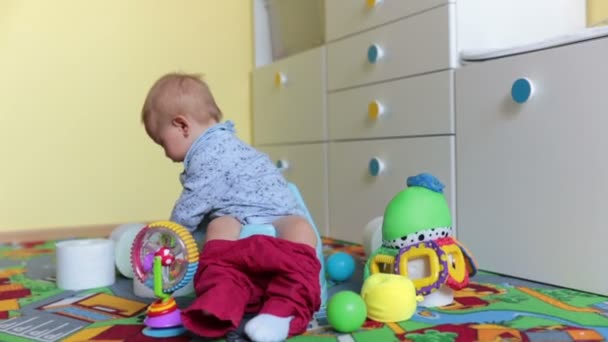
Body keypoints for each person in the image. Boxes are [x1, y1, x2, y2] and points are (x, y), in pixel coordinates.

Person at [140, 72, 321, 342]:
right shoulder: (222, 140)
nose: (166, 153)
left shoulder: (208, 153)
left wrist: (168, 241)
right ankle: (223, 300)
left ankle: (278, 311)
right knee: (221, 225)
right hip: (242, 213)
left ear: (182, 126)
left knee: (299, 229)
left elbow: (190, 207)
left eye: (162, 142)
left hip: (274, 211)